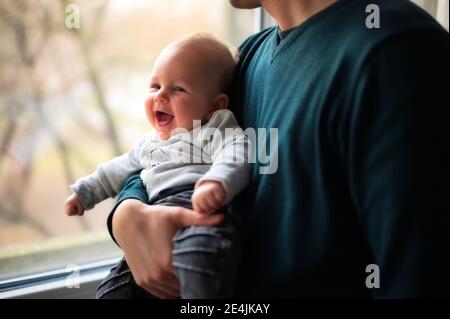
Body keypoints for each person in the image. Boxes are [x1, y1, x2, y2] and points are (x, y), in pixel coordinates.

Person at [106, 0, 449, 298]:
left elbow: (416, 277)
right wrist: (127, 213)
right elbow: (169, 150)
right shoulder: (249, 57)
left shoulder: (399, 55)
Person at [64, 32, 251, 298]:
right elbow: (116, 170)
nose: (160, 96)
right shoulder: (149, 143)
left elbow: (237, 152)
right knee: (111, 290)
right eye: (155, 86)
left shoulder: (212, 127)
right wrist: (85, 193)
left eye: (178, 89)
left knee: (199, 260)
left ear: (214, 105)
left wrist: (217, 181)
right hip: (153, 216)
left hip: (199, 211)